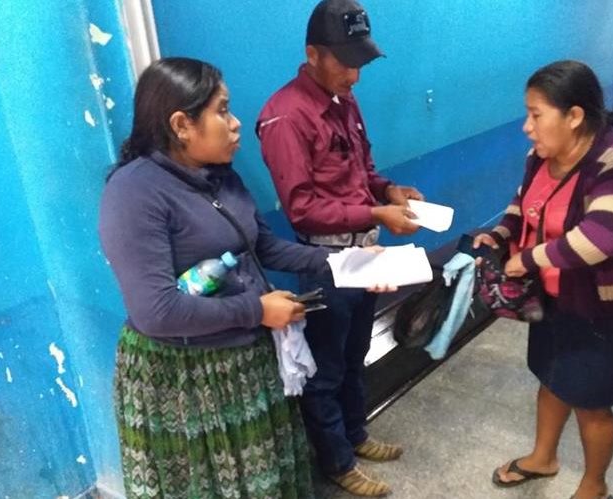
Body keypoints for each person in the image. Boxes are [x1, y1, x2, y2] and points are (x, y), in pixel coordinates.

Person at [100, 57, 372, 499]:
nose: (237, 123)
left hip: (245, 364)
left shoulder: (221, 177)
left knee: (261, 482)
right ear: (181, 124)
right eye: (222, 111)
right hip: (185, 381)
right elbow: (156, 312)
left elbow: (263, 247)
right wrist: (257, 310)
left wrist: (348, 261)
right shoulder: (133, 193)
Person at [475, 60, 613, 499]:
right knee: (552, 376)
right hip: (555, 296)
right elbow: (523, 207)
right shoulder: (540, 157)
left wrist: (529, 259)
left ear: (574, 116)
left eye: (536, 114)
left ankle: (594, 485)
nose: (527, 126)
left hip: (606, 304)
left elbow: (603, 238)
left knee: (591, 401)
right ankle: (544, 458)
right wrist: (500, 236)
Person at [256, 1, 423, 495]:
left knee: (356, 352)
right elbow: (303, 209)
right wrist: (376, 213)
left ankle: (355, 434)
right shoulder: (284, 117)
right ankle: (336, 460)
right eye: (346, 63)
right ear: (313, 54)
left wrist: (388, 191)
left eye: (360, 63)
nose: (355, 75)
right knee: (325, 367)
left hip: (366, 254)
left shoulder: (342, 100)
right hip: (326, 261)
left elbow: (361, 172)